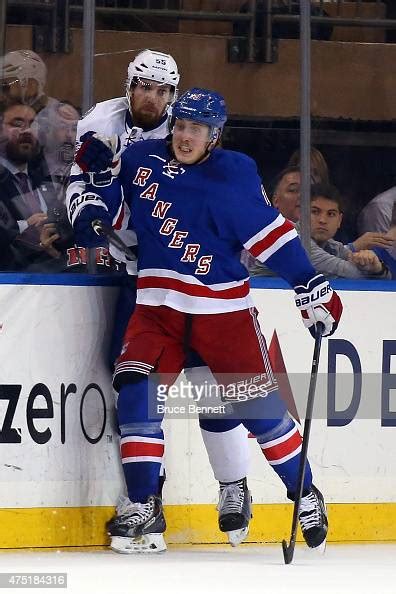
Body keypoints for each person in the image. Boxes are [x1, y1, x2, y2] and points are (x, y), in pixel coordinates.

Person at [69, 88, 343, 554]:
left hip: (223, 314)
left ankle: (305, 493)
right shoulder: (140, 158)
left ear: (214, 134)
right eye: (180, 125)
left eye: (195, 128)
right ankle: (143, 503)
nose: (184, 136)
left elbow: (271, 235)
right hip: (157, 308)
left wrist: (308, 282)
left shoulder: (234, 172)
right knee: (137, 394)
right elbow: (116, 217)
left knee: (260, 415)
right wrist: (97, 174)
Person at [66, 50, 253, 547]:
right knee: (138, 386)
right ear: (129, 87)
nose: (153, 98)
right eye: (144, 87)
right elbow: (84, 182)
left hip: (205, 280)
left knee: (215, 387)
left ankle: (234, 485)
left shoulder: (188, 128)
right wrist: (89, 213)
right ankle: (149, 500)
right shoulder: (100, 122)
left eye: (162, 90)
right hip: (143, 277)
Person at [251, 168, 393, 279]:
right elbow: (352, 275)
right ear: (301, 213)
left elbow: (385, 279)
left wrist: (376, 267)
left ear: (339, 220)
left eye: (330, 214)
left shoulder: (333, 246)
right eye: (315, 212)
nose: (323, 220)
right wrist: (374, 269)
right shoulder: (292, 238)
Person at [0, 100, 67, 270]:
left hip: (51, 281)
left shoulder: (47, 180)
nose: (27, 130)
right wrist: (24, 227)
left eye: (33, 124)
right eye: (17, 123)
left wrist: (54, 250)